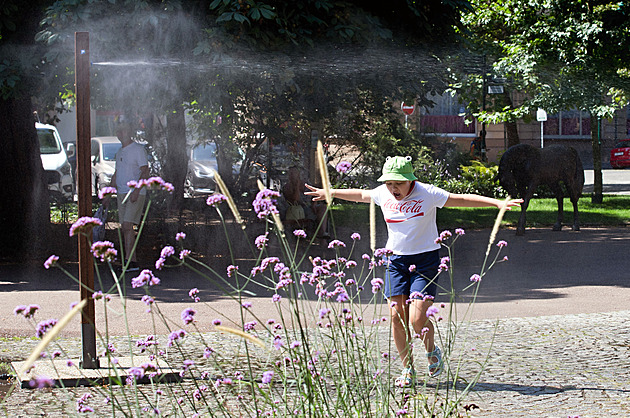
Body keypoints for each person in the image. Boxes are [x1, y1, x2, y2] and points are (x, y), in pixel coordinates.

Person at [305, 156, 522, 387]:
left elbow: (461, 199)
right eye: (389, 183)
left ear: (411, 180)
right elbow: (360, 194)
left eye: (398, 183)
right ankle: (407, 369)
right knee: (396, 315)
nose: (393, 188)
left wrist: (496, 203)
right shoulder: (383, 193)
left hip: (425, 261)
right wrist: (331, 191)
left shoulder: (427, 193)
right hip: (396, 261)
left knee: (417, 319)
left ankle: (431, 350)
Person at [103, 116, 150, 272]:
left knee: (128, 225)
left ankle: (129, 261)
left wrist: (136, 190)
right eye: (118, 131)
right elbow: (117, 173)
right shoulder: (120, 151)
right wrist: (109, 194)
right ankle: (132, 261)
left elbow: (145, 171)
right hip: (122, 193)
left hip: (134, 193)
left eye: (123, 130)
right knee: (125, 228)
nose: (120, 133)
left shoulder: (137, 149)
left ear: (129, 132)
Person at [282, 166, 329, 238]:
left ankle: (322, 232)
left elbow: (314, 194)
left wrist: (314, 204)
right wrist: (297, 186)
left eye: (295, 173)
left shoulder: (305, 184)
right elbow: (296, 200)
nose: (293, 175)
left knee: (323, 208)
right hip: (298, 210)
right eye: (291, 173)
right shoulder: (287, 187)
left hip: (309, 206)